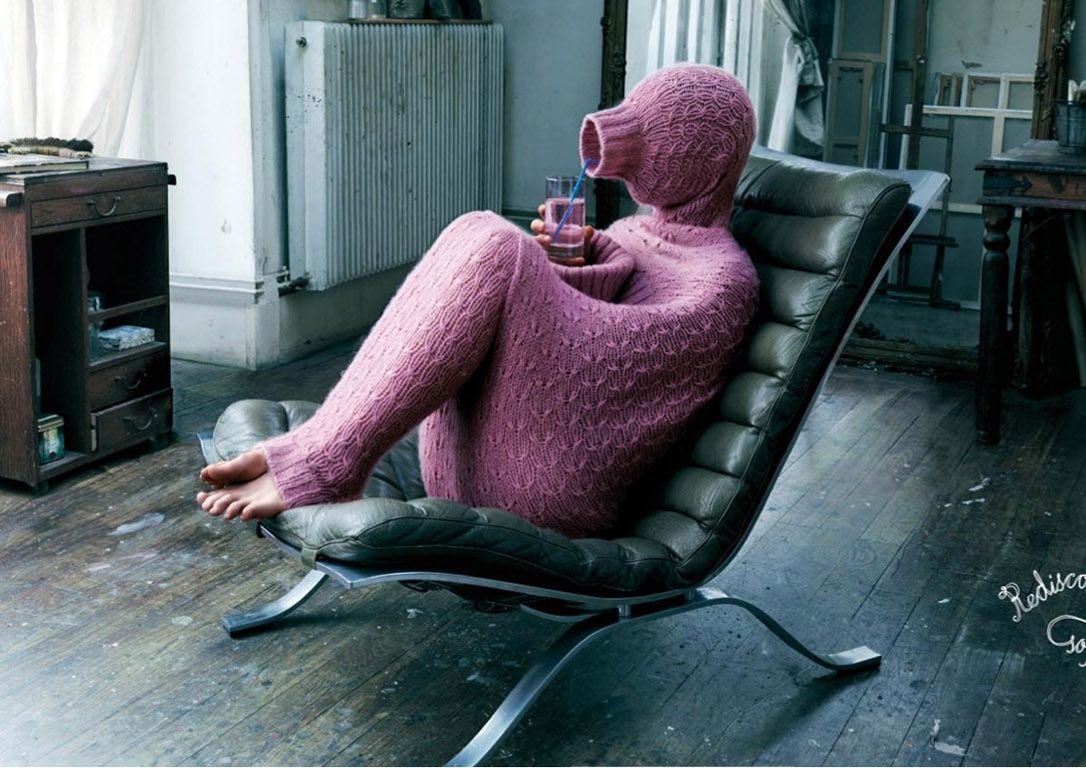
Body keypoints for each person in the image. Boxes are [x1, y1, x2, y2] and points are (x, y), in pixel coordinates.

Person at [196, 64, 760, 538]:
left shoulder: (725, 282)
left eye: (656, 132)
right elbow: (595, 321)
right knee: (489, 237)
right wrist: (581, 264)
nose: (621, 136)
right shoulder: (635, 230)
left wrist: (533, 281)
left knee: (496, 244)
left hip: (549, 490)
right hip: (471, 463)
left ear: (703, 158)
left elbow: (610, 374)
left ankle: (325, 460)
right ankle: (324, 448)